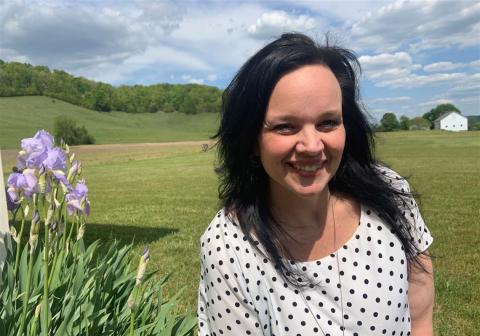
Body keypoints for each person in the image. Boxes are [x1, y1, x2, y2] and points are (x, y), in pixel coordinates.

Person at [197, 33, 434, 336]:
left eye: (327, 122)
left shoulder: (390, 193)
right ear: (252, 140)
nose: (311, 145)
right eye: (285, 126)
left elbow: (421, 318)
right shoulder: (228, 247)